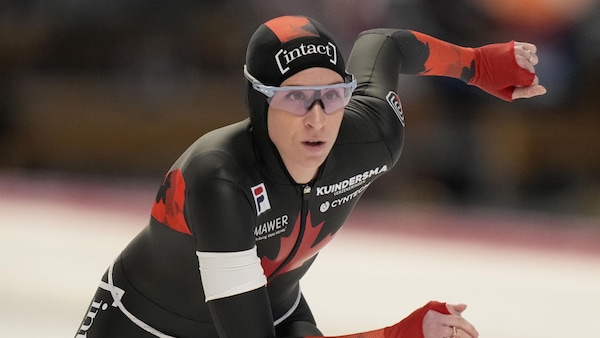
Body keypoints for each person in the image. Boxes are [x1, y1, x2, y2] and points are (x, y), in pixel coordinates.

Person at [75, 15, 545, 338]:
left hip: (277, 312)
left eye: (333, 95)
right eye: (295, 98)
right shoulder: (219, 178)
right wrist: (400, 333)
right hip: (144, 326)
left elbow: (386, 45)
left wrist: (480, 66)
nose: (318, 119)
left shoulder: (372, 135)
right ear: (259, 103)